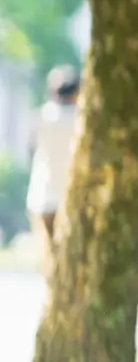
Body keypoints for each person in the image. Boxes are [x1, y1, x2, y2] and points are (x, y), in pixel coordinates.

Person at [24, 67, 75, 265]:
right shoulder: (80, 120)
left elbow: (30, 152)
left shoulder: (40, 117)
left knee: (49, 257)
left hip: (42, 195)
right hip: (69, 197)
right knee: (67, 258)